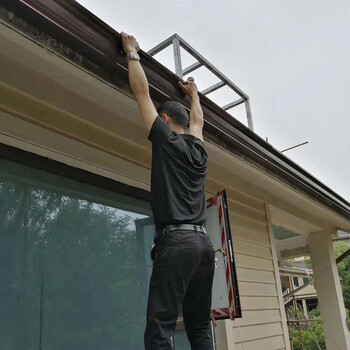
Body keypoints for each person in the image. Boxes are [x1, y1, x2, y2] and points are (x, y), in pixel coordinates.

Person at [121, 32, 215, 350]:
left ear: (164, 120)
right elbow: (199, 122)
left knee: (160, 326)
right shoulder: (199, 152)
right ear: (185, 123)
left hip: (176, 243)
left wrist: (132, 53)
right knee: (200, 324)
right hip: (204, 245)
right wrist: (195, 94)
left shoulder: (165, 139)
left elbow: (142, 92)